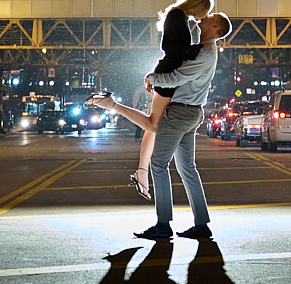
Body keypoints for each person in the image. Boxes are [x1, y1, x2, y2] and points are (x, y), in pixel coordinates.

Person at [96, 12, 233, 240]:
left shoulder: (206, 54)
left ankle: (163, 224)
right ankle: (201, 224)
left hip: (180, 113)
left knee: (158, 164)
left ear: (215, 26)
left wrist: (152, 79)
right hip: (191, 113)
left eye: (211, 17)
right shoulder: (205, 52)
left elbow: (177, 78)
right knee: (187, 168)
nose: (205, 16)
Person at [90, 0, 214, 200]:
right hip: (167, 74)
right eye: (203, 12)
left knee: (154, 126)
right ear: (197, 5)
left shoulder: (179, 15)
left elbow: (175, 48)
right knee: (152, 125)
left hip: (167, 71)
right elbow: (173, 48)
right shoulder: (177, 17)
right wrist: (199, 50)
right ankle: (112, 105)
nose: (202, 17)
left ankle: (141, 172)